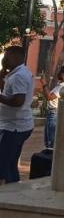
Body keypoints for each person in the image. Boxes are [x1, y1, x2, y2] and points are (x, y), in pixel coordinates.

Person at [0, 45, 34, 184]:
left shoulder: (19, 76)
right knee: (10, 163)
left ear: (15, 56)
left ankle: (8, 194)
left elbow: (17, 101)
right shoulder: (18, 73)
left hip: (14, 127)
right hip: (17, 125)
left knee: (3, 165)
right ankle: (14, 190)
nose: (4, 60)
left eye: (6, 57)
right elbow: (9, 94)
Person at [41, 65, 64, 149]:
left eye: (60, 71)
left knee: (51, 141)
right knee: (47, 140)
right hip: (51, 113)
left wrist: (44, 84)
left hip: (53, 114)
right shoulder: (59, 85)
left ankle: (50, 159)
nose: (58, 73)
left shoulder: (63, 87)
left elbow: (49, 97)